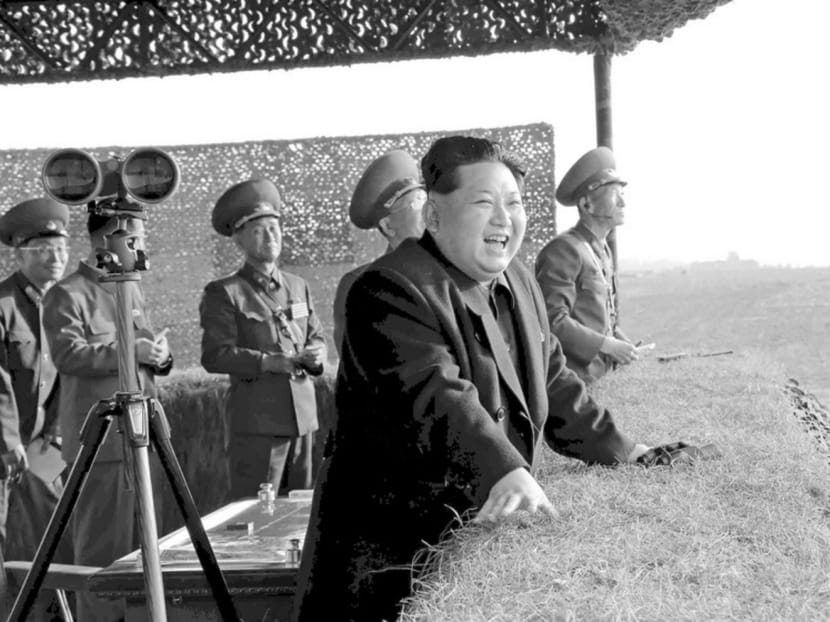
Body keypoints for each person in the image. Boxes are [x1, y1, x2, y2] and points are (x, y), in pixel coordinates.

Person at [293, 136, 651, 622]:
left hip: (468, 542)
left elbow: (553, 379)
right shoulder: (387, 289)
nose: (504, 219)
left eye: (514, 203)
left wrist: (630, 452)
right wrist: (506, 471)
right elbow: (436, 396)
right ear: (434, 217)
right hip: (390, 563)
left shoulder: (518, 280)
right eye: (484, 203)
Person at [43, 211, 172, 622]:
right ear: (105, 242)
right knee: (102, 551)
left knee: (144, 546)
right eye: (133, 239)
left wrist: (161, 357)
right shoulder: (68, 294)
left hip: (143, 434)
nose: (140, 247)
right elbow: (69, 354)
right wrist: (131, 353)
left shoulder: (130, 290)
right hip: (102, 445)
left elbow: (146, 346)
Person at [200, 179, 327, 500]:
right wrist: (269, 362)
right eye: (258, 230)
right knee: (256, 512)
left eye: (274, 228)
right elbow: (215, 355)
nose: (270, 237)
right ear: (239, 240)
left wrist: (317, 355)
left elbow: (317, 335)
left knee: (301, 511)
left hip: (304, 419)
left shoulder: (298, 286)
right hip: (259, 424)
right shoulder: (225, 292)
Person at [0, 198, 73, 620]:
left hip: (42, 447)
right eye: (43, 249)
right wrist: (8, 440)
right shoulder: (4, 304)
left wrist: (58, 433)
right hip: (5, 448)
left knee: (52, 537)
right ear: (21, 253)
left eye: (61, 249)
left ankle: (49, 614)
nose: (56, 258)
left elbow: (68, 371)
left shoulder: (60, 303)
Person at [535, 146, 640, 383]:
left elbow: (601, 318)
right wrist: (607, 345)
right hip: (571, 381)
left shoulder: (601, 250)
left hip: (600, 376)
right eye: (615, 194)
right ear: (586, 204)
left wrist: (622, 344)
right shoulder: (564, 250)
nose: (623, 203)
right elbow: (552, 320)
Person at [332, 149, 426, 355]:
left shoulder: (454, 272)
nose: (427, 211)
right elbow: (356, 362)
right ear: (388, 225)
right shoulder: (360, 284)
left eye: (426, 200)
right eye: (416, 203)